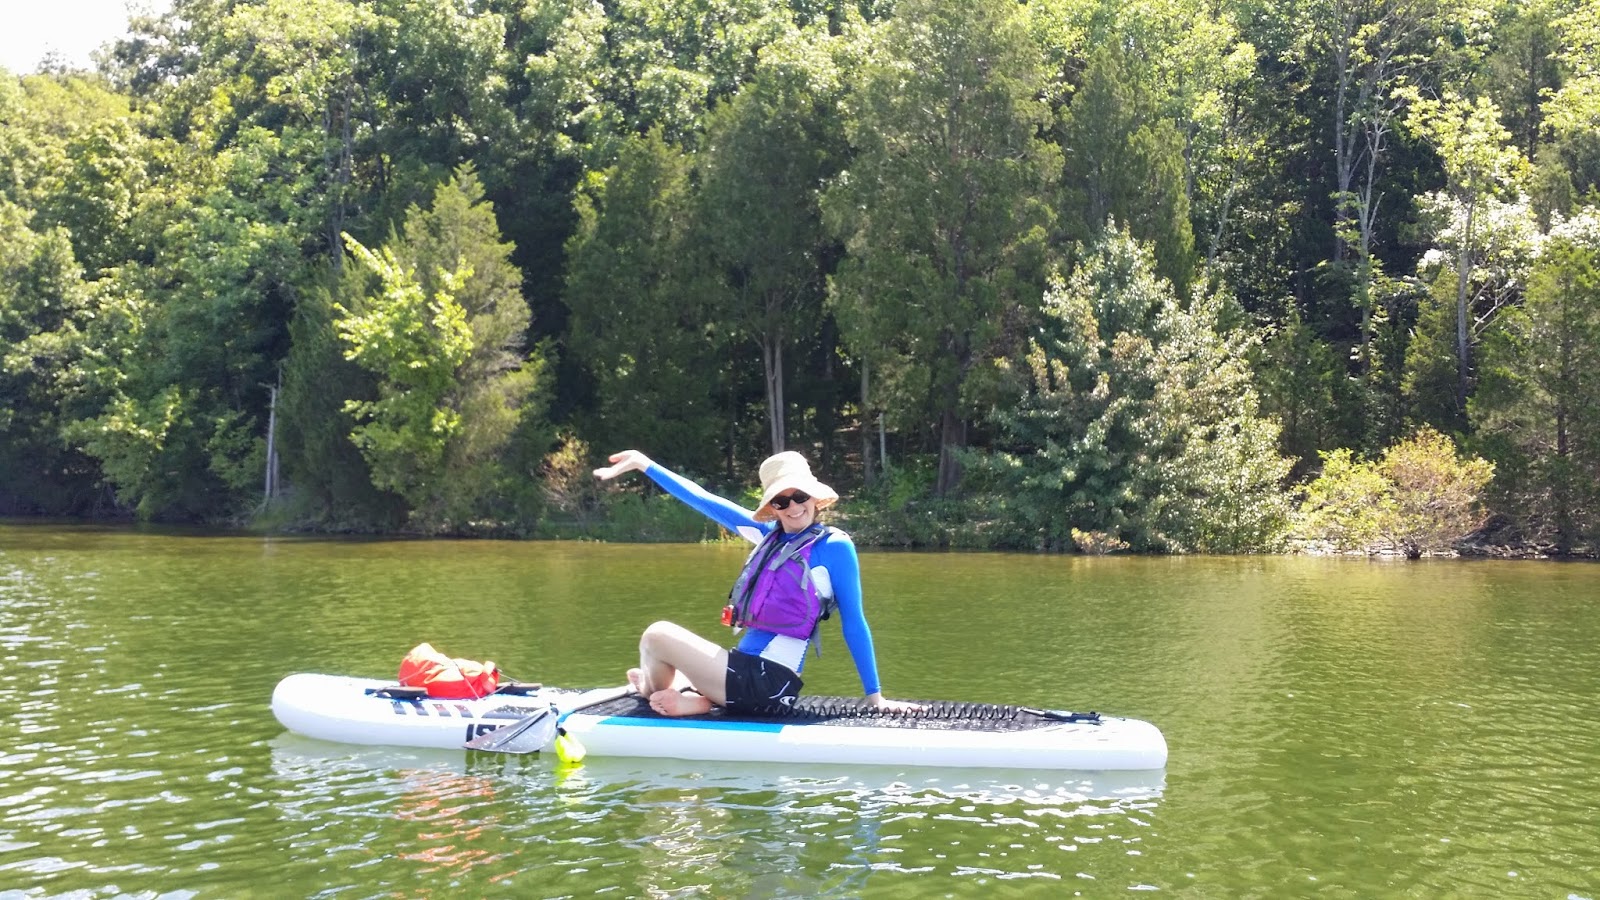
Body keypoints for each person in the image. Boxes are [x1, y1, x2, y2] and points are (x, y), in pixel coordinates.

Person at [593, 449, 922, 717]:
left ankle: (662, 689)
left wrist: (875, 696)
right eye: (781, 501)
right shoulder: (766, 536)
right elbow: (702, 499)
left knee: (657, 635)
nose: (793, 507)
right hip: (744, 673)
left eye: (799, 496)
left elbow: (855, 622)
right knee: (658, 645)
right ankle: (696, 697)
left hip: (768, 684)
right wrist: (645, 464)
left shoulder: (835, 546)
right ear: (773, 508)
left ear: (813, 497)